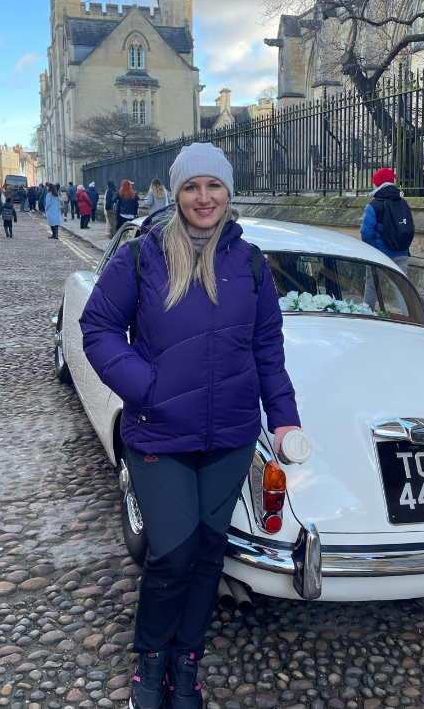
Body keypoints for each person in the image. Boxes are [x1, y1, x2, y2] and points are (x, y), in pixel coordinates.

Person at [80, 142, 301, 709]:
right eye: (191, 187)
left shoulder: (250, 264)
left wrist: (284, 419)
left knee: (207, 553)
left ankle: (187, 664)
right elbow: (99, 327)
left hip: (228, 437)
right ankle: (150, 664)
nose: (204, 197)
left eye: (215, 186)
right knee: (172, 554)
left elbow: (267, 349)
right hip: (158, 435)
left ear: (229, 192)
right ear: (176, 194)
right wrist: (144, 386)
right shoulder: (142, 258)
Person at [361, 167, 415, 306]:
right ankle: (411, 319)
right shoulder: (403, 203)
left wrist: (372, 249)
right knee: (401, 289)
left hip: (379, 254)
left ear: (377, 184)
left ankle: (367, 315)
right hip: (402, 253)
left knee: (372, 286)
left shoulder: (373, 205)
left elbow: (366, 232)